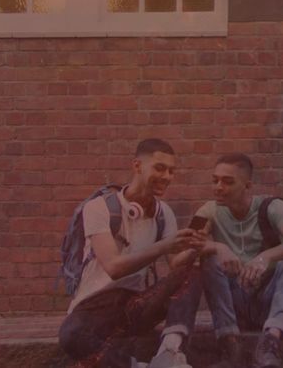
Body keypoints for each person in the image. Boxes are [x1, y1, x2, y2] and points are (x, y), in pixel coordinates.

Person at [58, 138, 206, 368]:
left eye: (171, 171)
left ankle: (170, 352)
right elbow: (114, 267)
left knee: (191, 274)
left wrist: (196, 249)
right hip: (95, 307)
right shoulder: (99, 207)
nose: (167, 176)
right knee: (71, 335)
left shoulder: (163, 213)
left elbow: (176, 265)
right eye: (159, 168)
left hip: (135, 304)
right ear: (137, 166)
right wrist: (165, 245)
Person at [192, 153, 283, 368]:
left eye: (228, 182)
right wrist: (216, 246)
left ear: (247, 185)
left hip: (270, 302)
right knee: (208, 261)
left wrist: (266, 256)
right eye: (215, 180)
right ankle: (230, 345)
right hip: (236, 305)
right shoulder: (209, 210)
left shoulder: (273, 207)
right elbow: (183, 251)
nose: (218, 187)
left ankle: (270, 343)